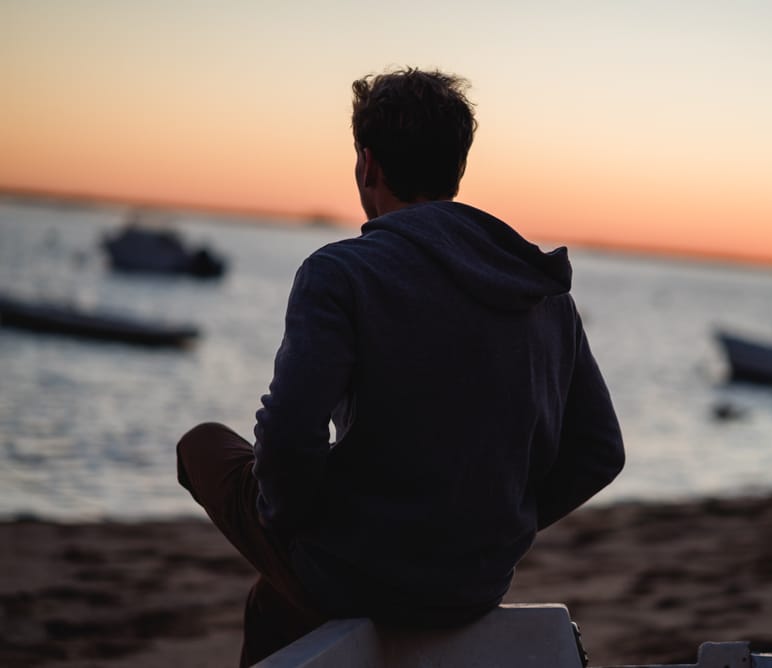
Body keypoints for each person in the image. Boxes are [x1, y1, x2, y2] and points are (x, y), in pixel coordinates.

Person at [176, 67, 625, 666]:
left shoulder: (342, 274)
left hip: (359, 569)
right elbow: (599, 452)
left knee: (201, 444)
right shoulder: (542, 291)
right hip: (475, 583)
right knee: (271, 606)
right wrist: (498, 525)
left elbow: (287, 437)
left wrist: (298, 523)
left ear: (368, 165)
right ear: (456, 170)